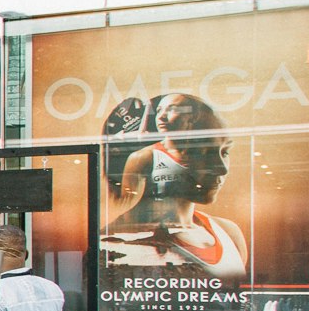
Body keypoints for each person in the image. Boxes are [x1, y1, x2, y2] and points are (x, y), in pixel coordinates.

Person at [101, 92, 248, 283]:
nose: (221, 168)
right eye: (203, 152)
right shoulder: (112, 240)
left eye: (225, 151)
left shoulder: (229, 233)